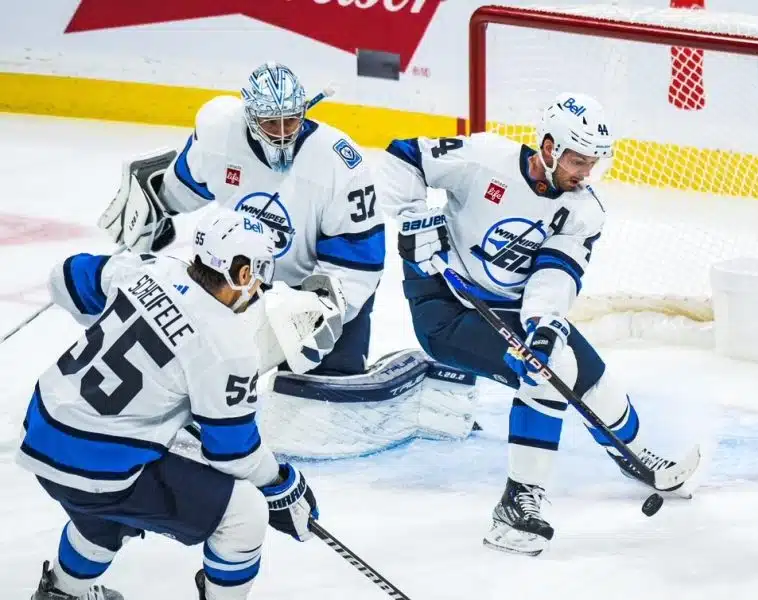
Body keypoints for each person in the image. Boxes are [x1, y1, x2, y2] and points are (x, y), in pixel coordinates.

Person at [95, 61, 477, 458]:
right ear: (250, 117)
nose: (281, 133)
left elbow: (359, 264)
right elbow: (179, 192)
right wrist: (149, 212)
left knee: (318, 412)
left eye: (290, 121)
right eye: (270, 123)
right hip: (235, 282)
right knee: (192, 355)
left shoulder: (339, 162)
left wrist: (318, 311)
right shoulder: (218, 131)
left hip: (317, 286)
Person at [379, 92, 701, 556]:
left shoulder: (583, 210)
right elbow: (403, 156)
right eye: (577, 160)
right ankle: (515, 506)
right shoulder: (484, 159)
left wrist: (544, 325)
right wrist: (413, 219)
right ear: (548, 147)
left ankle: (632, 455)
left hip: (508, 307)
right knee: (549, 374)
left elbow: (554, 274)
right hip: (444, 307)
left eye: (592, 163)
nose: (584, 173)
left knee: (592, 378)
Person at [17, 210, 320, 599]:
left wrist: (120, 320)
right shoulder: (229, 343)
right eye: (260, 272)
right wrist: (281, 485)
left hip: (41, 428)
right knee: (244, 515)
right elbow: (233, 454)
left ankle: (61, 593)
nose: (261, 285)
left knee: (104, 516)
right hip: (96, 463)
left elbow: (66, 278)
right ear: (243, 274)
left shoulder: (149, 268)